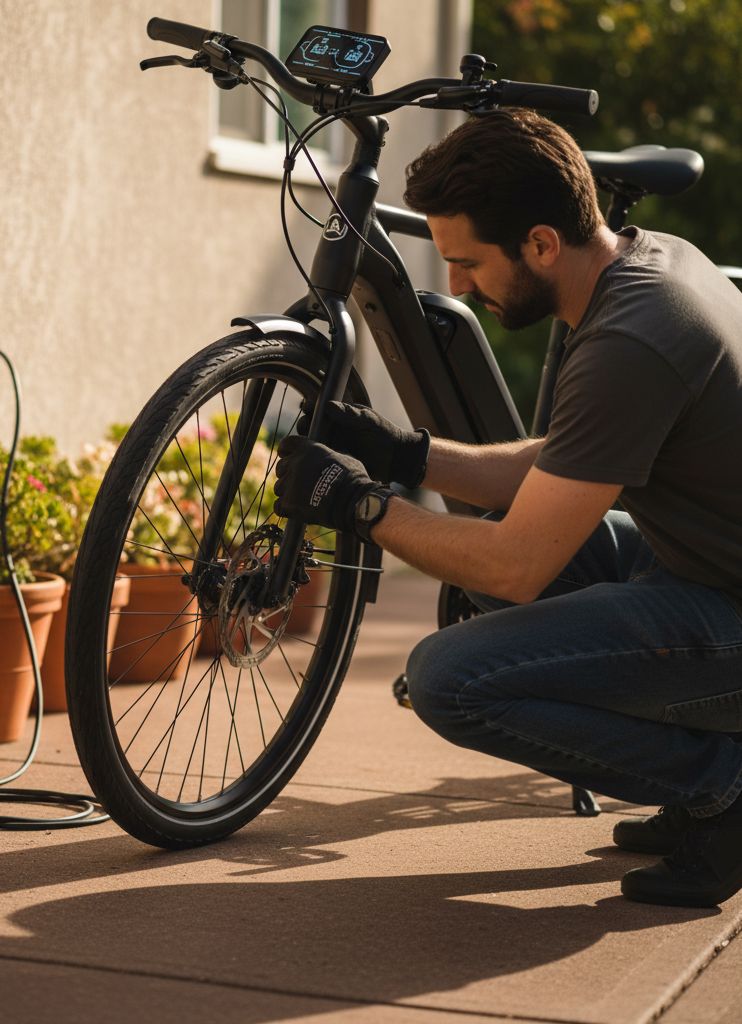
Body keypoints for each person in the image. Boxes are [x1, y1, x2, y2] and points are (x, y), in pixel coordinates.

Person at [272, 109, 742, 908]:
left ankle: (723, 787)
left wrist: (360, 505)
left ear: (540, 244)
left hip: (724, 603)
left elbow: (521, 570)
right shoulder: (655, 265)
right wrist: (408, 454)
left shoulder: (634, 340)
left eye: (467, 262)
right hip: (701, 565)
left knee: (450, 677)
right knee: (488, 545)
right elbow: (567, 459)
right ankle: (701, 776)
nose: (454, 283)